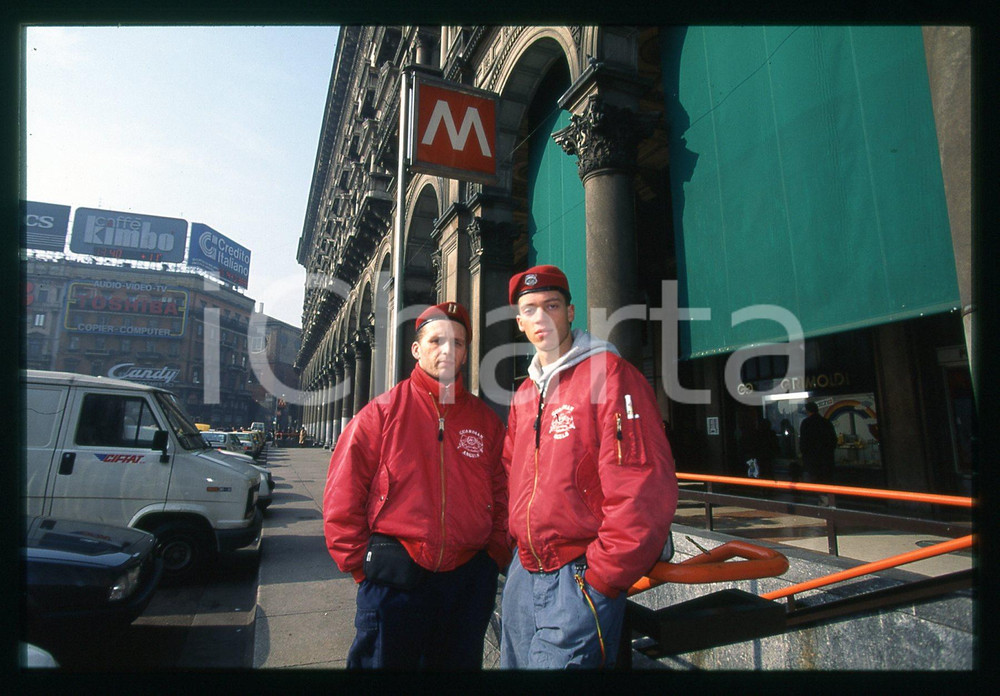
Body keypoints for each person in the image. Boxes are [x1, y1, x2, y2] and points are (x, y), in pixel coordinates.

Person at [500, 265, 678, 669]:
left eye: (552, 305)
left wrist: (602, 577)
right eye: (530, 309)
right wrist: (512, 545)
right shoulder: (525, 394)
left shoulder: (610, 376)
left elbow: (641, 484)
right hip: (524, 572)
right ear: (519, 322)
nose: (542, 318)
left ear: (570, 312)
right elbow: (510, 473)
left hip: (578, 573)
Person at [323, 301, 510, 669]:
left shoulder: (487, 422)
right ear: (416, 349)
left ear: (466, 353)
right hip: (395, 586)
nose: (448, 350)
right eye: (437, 340)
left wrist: (493, 560)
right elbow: (342, 496)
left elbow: (503, 494)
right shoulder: (380, 414)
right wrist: (362, 568)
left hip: (467, 586)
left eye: (458, 342)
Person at [799, 401, 838, 484]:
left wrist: (804, 455)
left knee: (815, 482)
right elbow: (833, 439)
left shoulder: (806, 423)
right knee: (827, 482)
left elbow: (803, 442)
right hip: (826, 459)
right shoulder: (826, 422)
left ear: (807, 411)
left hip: (812, 459)